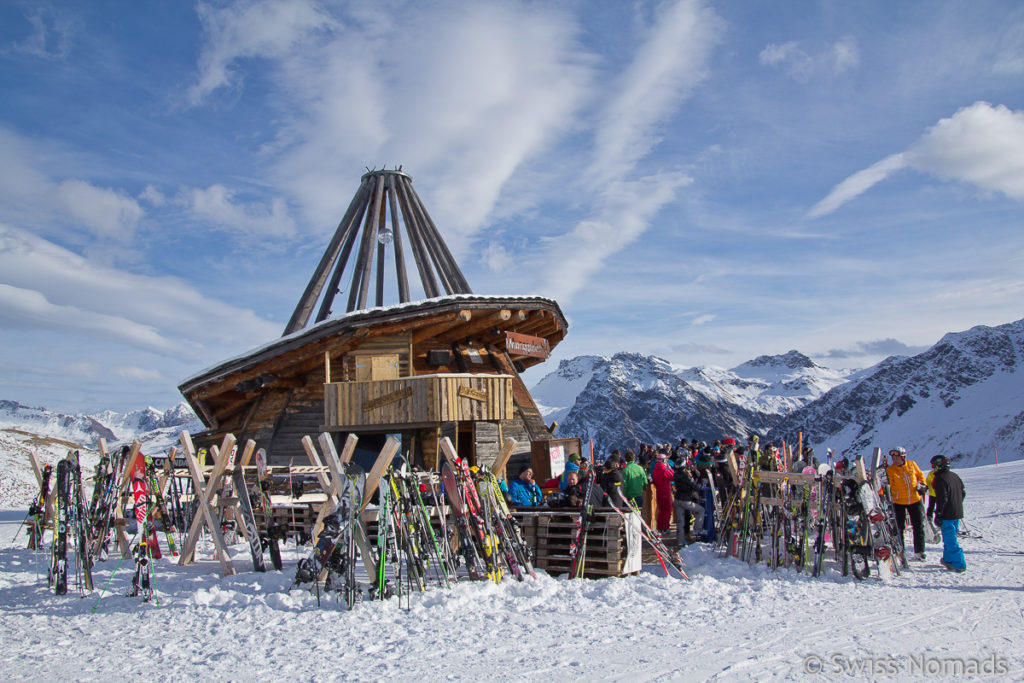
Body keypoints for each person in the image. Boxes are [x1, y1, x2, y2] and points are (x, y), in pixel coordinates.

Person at [884, 446, 929, 561]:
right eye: (892, 456)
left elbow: (920, 476)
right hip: (898, 502)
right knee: (899, 528)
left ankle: (920, 551)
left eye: (897, 456)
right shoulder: (890, 470)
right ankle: (900, 550)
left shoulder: (912, 465)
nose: (894, 458)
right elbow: (886, 484)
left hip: (915, 499)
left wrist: (923, 486)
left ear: (903, 456)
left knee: (918, 526)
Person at [930, 455, 967, 573]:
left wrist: (939, 514)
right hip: (957, 512)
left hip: (947, 514)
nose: (933, 469)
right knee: (949, 537)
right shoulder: (955, 476)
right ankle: (948, 559)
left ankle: (959, 563)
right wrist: (956, 504)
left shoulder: (940, 479)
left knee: (950, 539)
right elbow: (962, 493)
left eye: (933, 466)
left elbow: (942, 498)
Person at [672, 464, 705, 545]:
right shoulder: (686, 476)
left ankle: (680, 540)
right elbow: (694, 486)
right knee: (701, 510)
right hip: (685, 500)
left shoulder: (676, 475)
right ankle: (697, 529)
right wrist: (700, 487)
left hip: (677, 499)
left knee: (680, 521)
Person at [652, 452, 674, 532]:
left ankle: (660, 527)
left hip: (659, 492)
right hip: (665, 492)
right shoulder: (663, 470)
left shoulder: (655, 469)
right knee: (667, 511)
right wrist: (670, 468)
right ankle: (665, 527)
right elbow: (672, 476)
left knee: (661, 511)